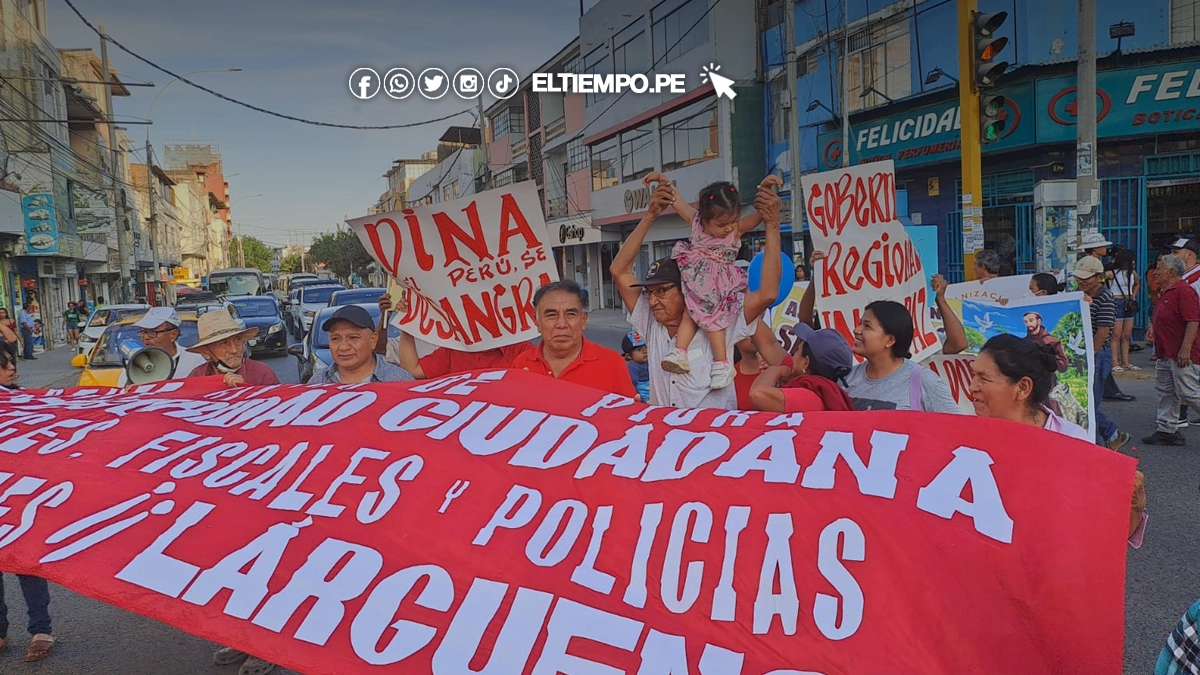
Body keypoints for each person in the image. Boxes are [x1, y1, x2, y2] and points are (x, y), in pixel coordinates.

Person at [609, 181, 784, 409]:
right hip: (665, 430)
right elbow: (619, 271)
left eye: (661, 291)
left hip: (712, 430)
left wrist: (772, 225)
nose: (652, 300)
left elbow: (768, 293)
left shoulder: (724, 315)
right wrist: (650, 215)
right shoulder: (650, 322)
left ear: (686, 288)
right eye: (649, 292)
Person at [969, 334, 1146, 543]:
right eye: (973, 376)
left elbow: (1095, 536)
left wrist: (1134, 505)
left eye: (984, 379)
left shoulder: (1069, 441)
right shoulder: (964, 437)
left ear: (1023, 387)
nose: (972, 387)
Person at [0, 349, 55, 662]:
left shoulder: (27, 402)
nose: (11, 368)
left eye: (12, 362)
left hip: (21, 498)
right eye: (3, 364)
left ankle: (41, 629)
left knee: (26, 564)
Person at [509, 280, 635, 397]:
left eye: (570, 314)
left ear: (583, 319)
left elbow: (626, 412)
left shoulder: (612, 363)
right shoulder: (522, 364)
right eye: (551, 315)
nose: (561, 324)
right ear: (537, 321)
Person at [375, 292, 533, 378]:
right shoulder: (455, 351)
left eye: (487, 314)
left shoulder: (520, 350)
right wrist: (407, 323)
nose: (482, 321)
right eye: (475, 315)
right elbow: (411, 370)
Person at [845, 300, 961, 413]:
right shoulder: (847, 378)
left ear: (890, 340)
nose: (856, 330)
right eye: (860, 323)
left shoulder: (924, 380)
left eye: (867, 326)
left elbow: (956, 423)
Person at [1074, 256, 1132, 451]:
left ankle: (1104, 441)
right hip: (1081, 353)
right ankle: (1111, 435)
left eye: (1086, 278)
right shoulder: (1079, 294)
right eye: (1079, 278)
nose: (1081, 281)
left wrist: (1089, 357)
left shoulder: (1105, 298)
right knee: (1083, 402)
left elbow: (1103, 333)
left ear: (1099, 277)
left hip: (1097, 355)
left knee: (1089, 403)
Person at [1141, 254, 1200, 446]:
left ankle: (1167, 428)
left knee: (1188, 391)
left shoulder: (1184, 291)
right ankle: (1166, 429)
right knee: (1166, 390)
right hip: (1165, 351)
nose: (1155, 273)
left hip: (1179, 353)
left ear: (1171, 272)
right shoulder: (1166, 292)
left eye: (1159, 269)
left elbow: (1193, 321)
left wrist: (1185, 349)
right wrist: (1154, 329)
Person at [750, 324, 854, 413]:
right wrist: (747, 310)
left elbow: (758, 394)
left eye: (797, 350)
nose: (793, 356)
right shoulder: (806, 376)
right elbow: (770, 345)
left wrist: (775, 371)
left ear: (806, 362)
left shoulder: (811, 397)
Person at [311, 305, 413, 384]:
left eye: (353, 338)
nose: (344, 347)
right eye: (335, 339)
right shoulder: (318, 381)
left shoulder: (399, 380)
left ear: (373, 340)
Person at [1022, 310, 1087, 427]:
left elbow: (1063, 365)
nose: (1028, 324)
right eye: (1026, 322)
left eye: (1031, 320)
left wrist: (1050, 359)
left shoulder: (1052, 341)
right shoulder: (1023, 343)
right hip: (1028, 385)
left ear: (1039, 320)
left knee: (1051, 418)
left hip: (1048, 385)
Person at [117, 307, 209, 387]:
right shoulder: (133, 365)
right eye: (143, 332)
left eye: (152, 332)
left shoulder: (196, 361)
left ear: (173, 334)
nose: (145, 337)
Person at [185, 310, 279, 387]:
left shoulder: (261, 374)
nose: (234, 350)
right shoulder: (196, 378)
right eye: (224, 343)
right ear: (206, 353)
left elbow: (277, 401)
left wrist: (246, 389)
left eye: (237, 340)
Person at [1109, 248, 1141, 372]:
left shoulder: (1132, 273)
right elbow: (1101, 281)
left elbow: (1137, 283)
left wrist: (1133, 295)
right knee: (1116, 335)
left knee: (1126, 335)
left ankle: (1125, 362)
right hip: (1116, 301)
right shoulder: (1112, 273)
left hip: (1128, 302)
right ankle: (1114, 362)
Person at [622, 330, 650, 403]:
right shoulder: (633, 367)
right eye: (639, 349)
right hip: (644, 396)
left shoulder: (649, 361)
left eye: (645, 347)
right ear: (629, 356)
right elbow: (632, 384)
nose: (645, 351)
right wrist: (638, 397)